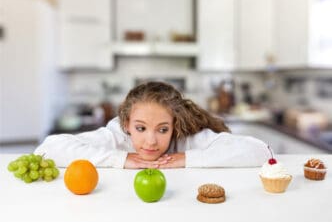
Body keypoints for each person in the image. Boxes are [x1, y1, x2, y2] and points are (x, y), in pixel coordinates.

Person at [35, 81, 270, 169]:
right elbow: (47, 149)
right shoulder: (116, 135)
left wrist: (185, 159)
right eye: (140, 128)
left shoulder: (185, 139)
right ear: (127, 124)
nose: (151, 141)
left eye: (163, 129)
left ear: (174, 126)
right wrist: (123, 159)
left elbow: (261, 152)